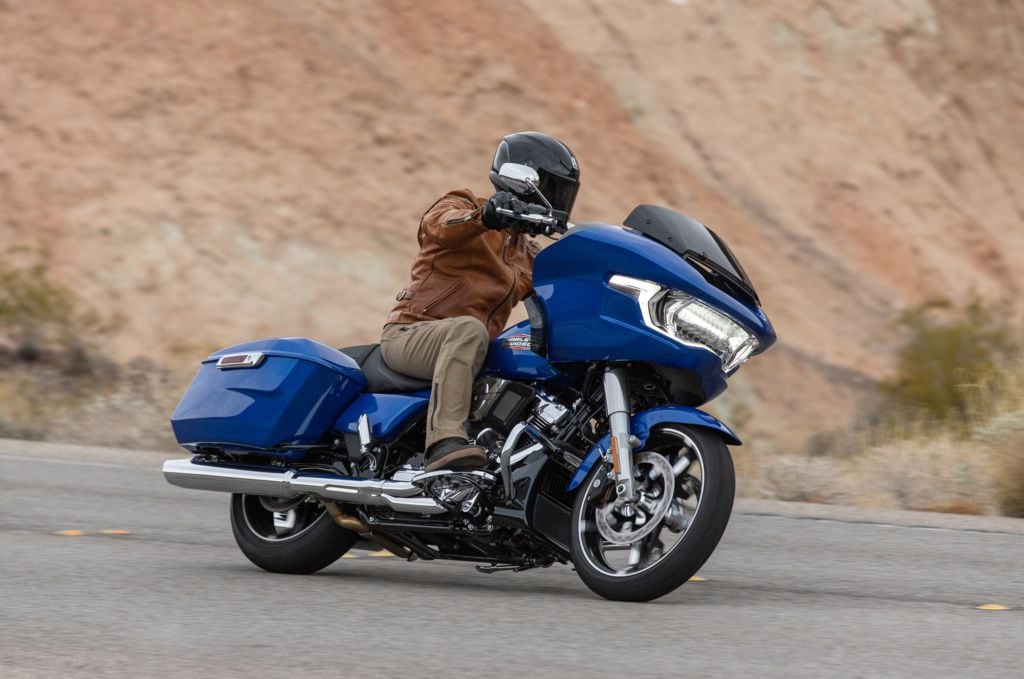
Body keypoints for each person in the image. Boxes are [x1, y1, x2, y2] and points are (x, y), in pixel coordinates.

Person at [381, 131, 581, 472]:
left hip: (470, 347)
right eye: (551, 190)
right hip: (411, 334)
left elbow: (561, 297)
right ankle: (443, 442)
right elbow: (438, 226)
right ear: (522, 180)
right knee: (469, 331)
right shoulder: (464, 206)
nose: (555, 201)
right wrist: (486, 216)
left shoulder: (529, 256)